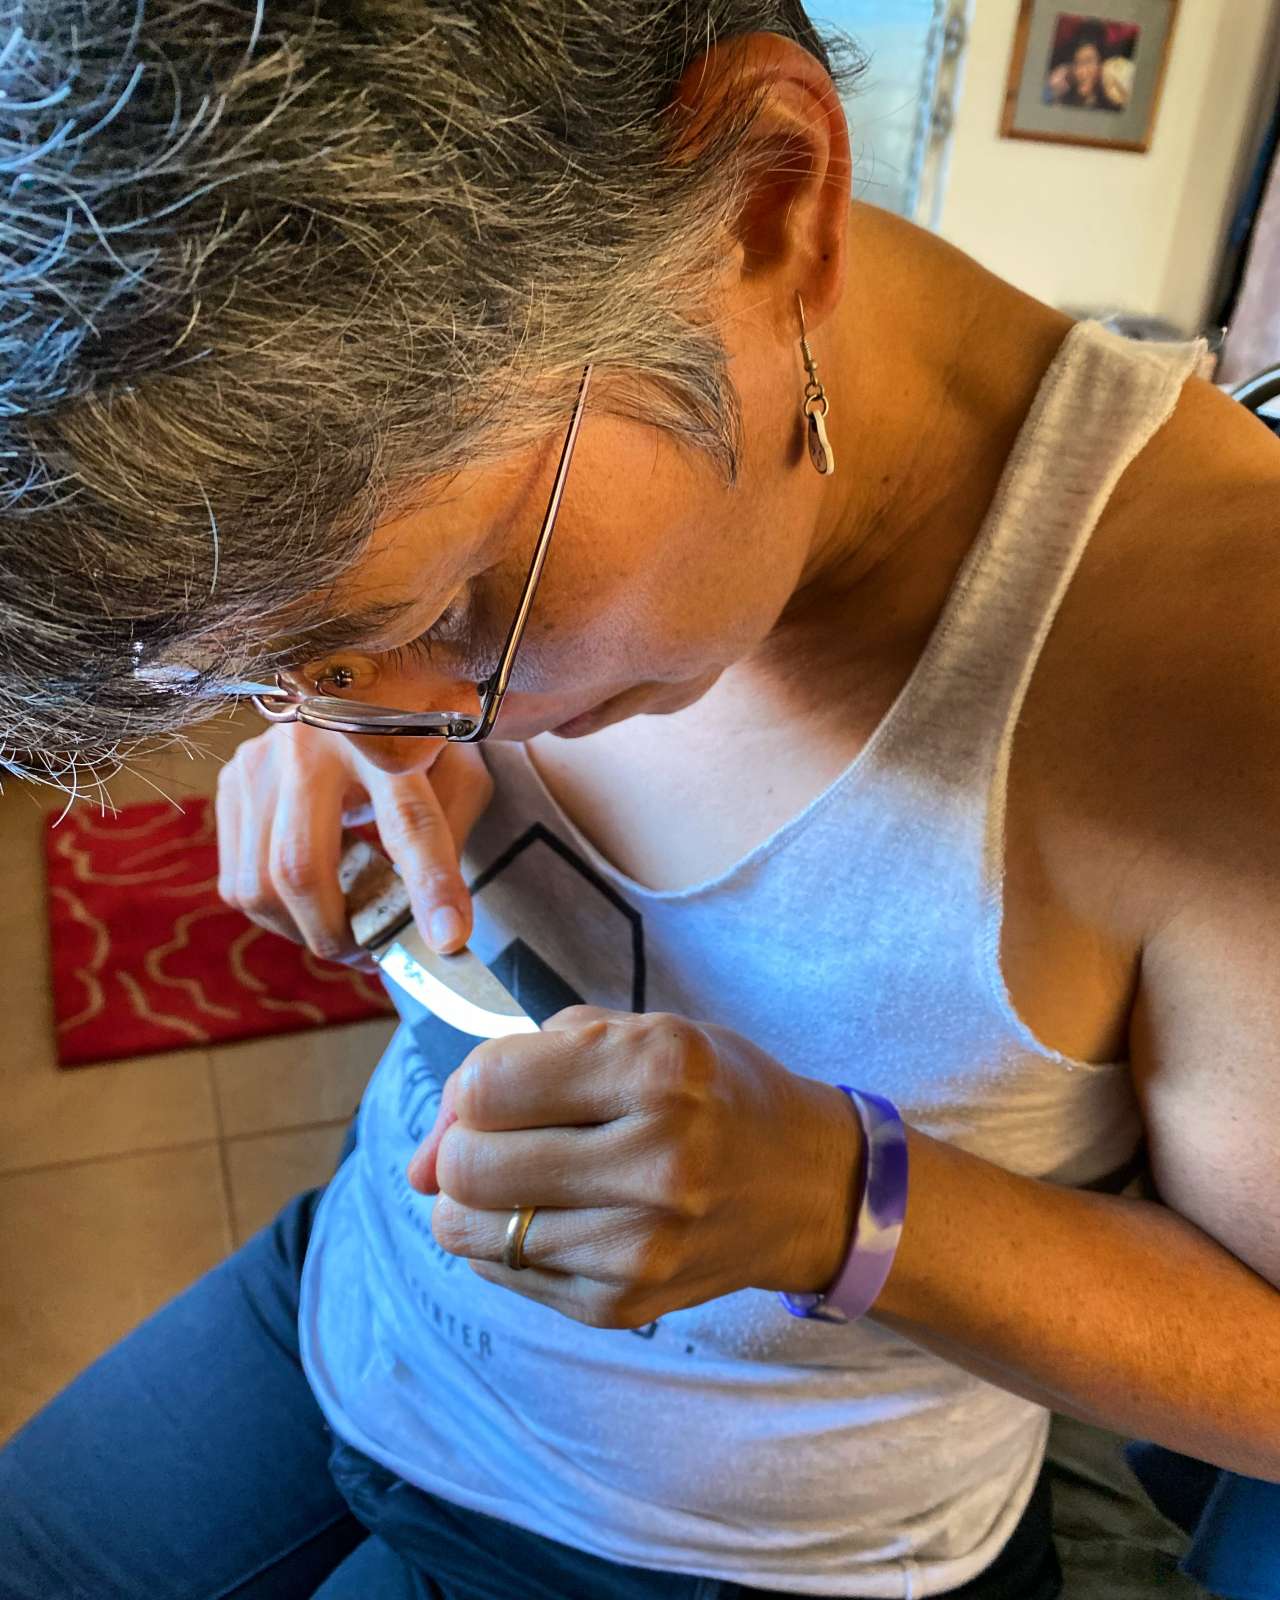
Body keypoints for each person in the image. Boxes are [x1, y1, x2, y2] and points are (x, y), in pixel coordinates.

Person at [0, 3, 1278, 1597]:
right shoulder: (504, 468)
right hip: (365, 1293)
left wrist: (849, 1206)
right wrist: (320, 708)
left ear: (765, 200)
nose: (395, 719)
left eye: (451, 605)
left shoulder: (1221, 674)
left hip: (730, 1545)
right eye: (285, 669)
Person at [1045, 20, 1129, 111]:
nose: (1080, 71)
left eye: (1088, 61)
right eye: (1076, 63)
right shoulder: (1061, 101)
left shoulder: (1115, 97)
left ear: (1102, 64)